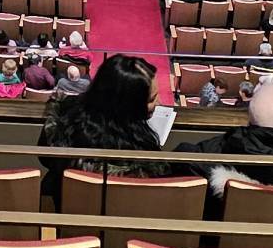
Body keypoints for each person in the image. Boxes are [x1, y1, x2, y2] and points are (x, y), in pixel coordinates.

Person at [36, 54, 174, 198]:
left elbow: (45, 159)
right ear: (127, 106)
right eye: (151, 99)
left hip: (64, 202)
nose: (158, 103)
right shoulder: (142, 159)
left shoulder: (63, 120)